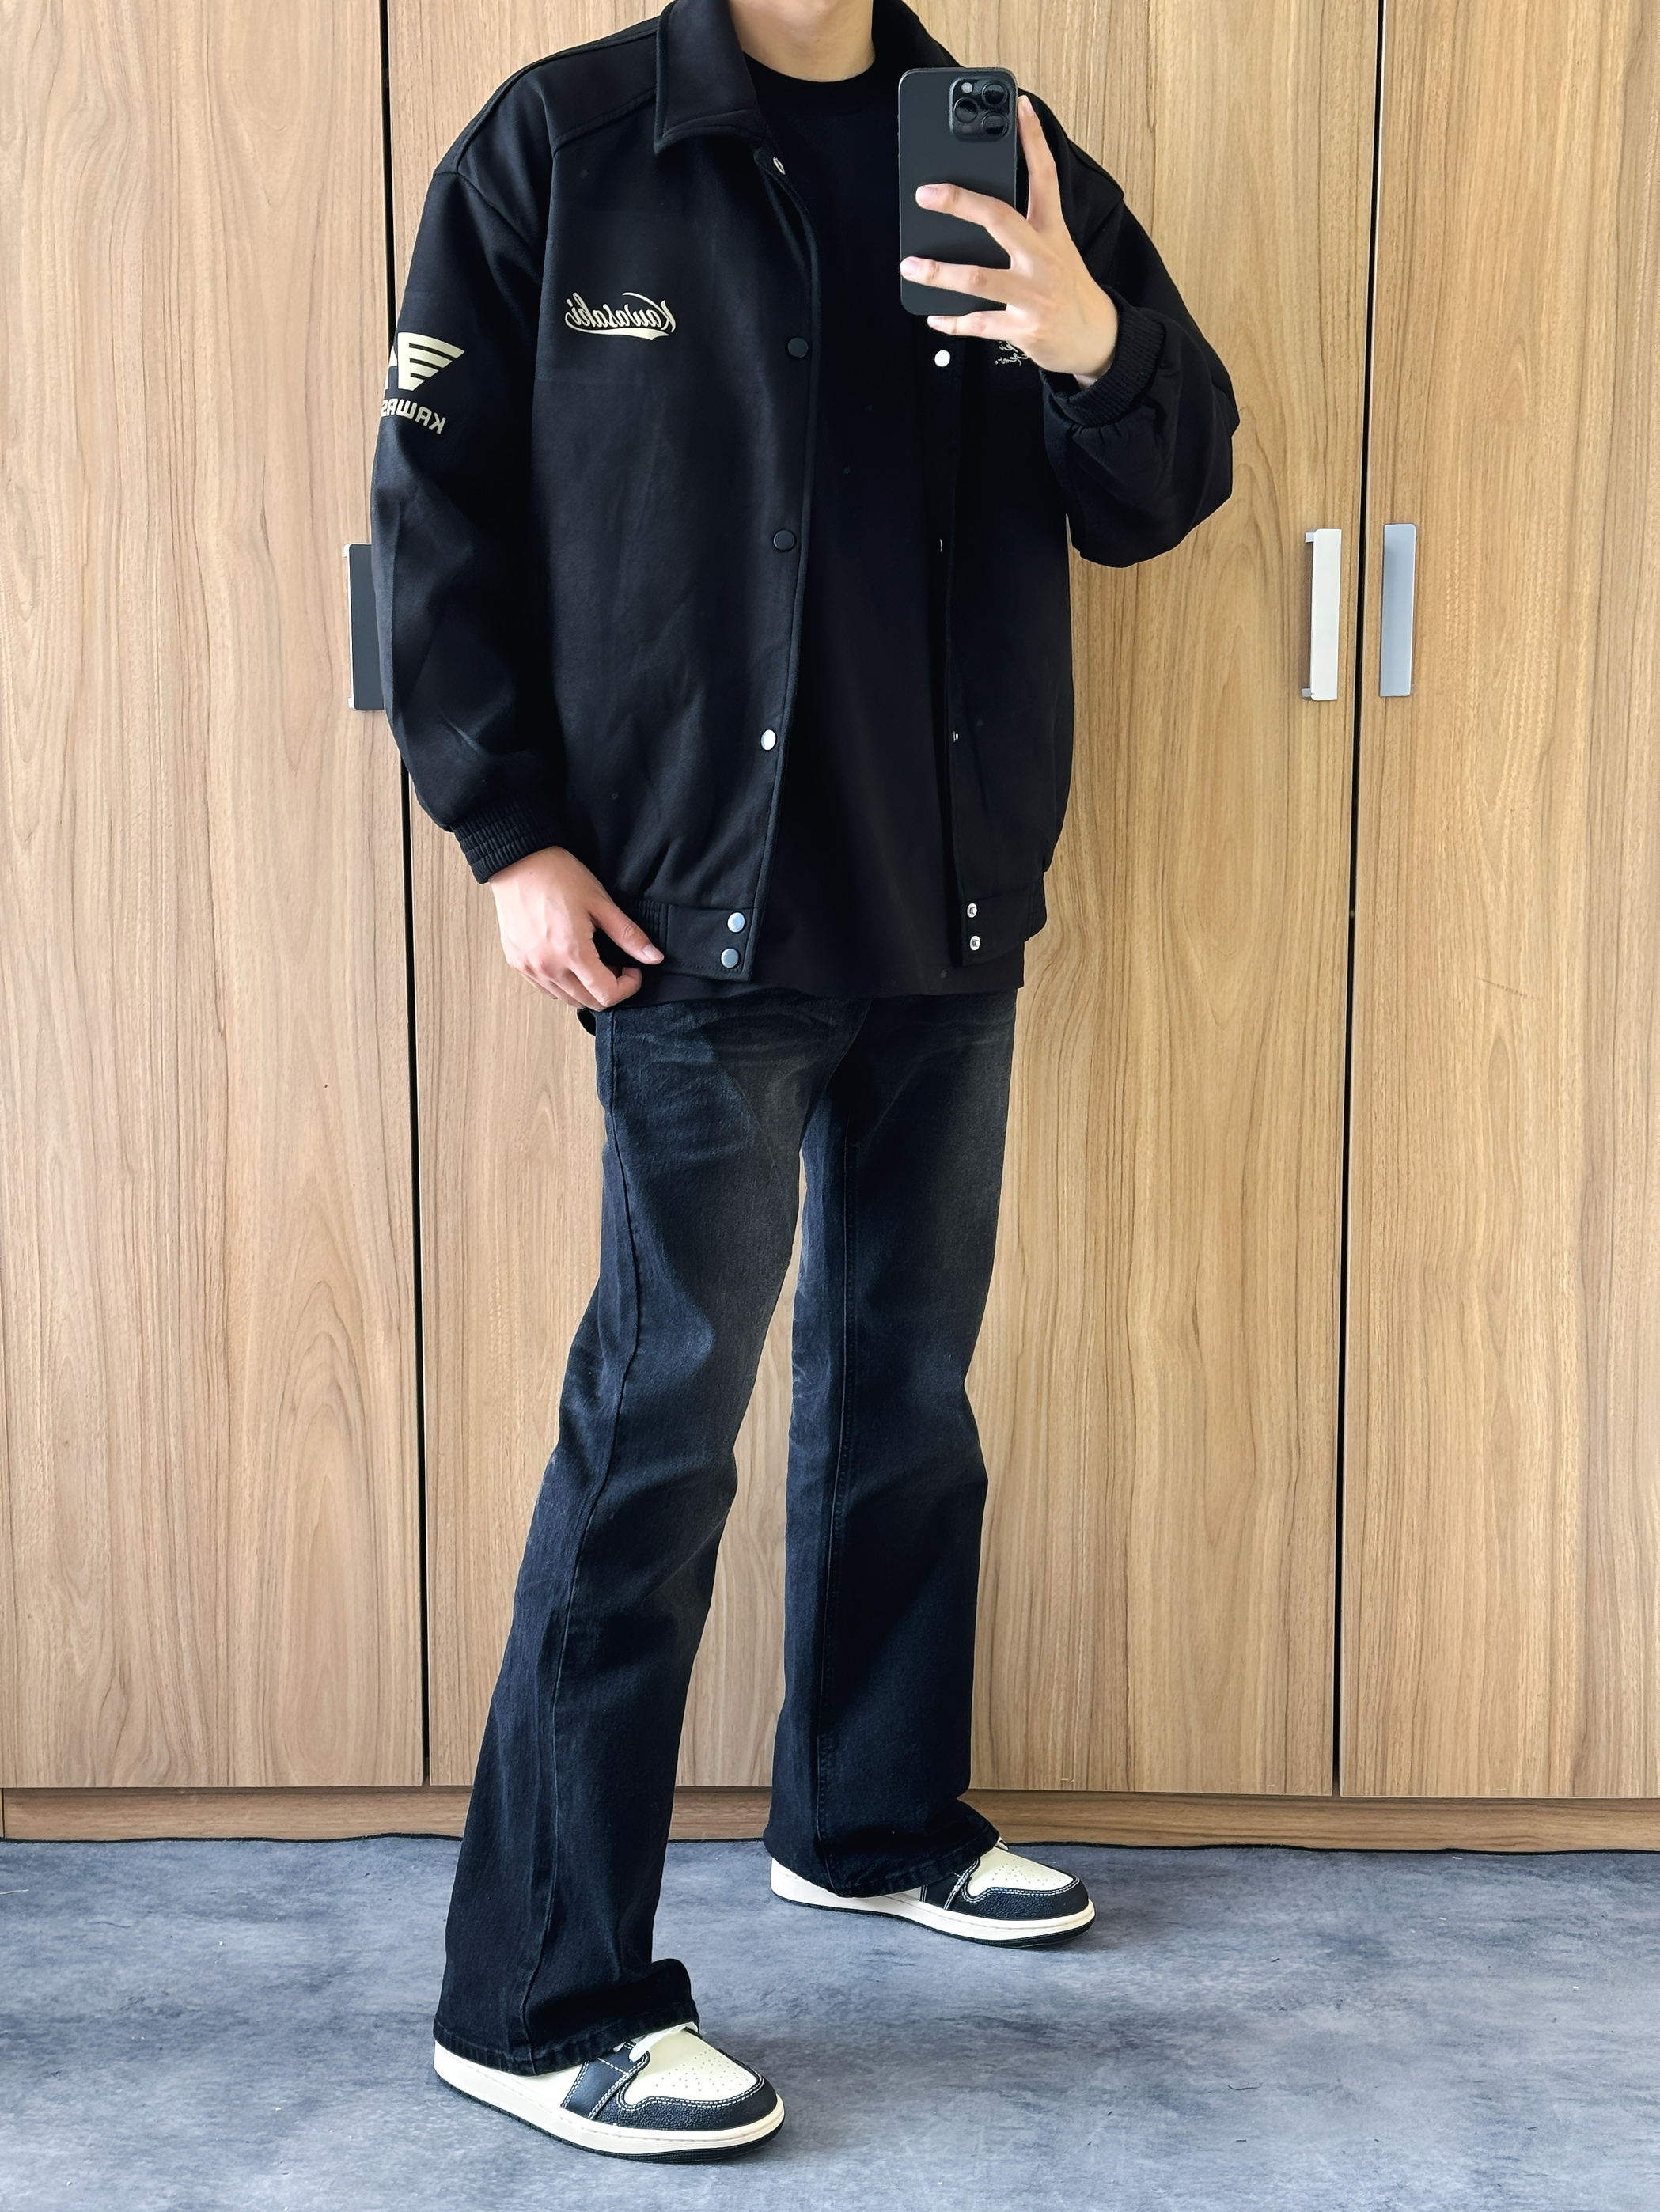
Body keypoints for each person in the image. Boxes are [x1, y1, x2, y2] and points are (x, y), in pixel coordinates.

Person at [372, 0, 1235, 2163]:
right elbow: (435, 513)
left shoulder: (1005, 140)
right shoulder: (566, 146)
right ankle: (534, 1992)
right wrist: (505, 829)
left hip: (948, 907)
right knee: (657, 1432)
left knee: (905, 1393)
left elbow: (1165, 487)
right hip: (687, 924)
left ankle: (867, 1817)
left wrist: (1087, 337)